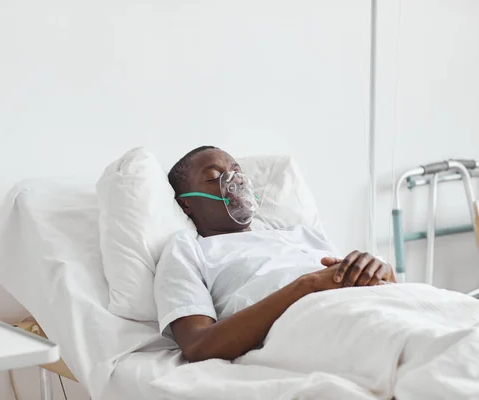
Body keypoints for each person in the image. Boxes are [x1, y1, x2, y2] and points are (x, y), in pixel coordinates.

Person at [153, 145, 397, 363]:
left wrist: (380, 272)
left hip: (379, 305)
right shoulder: (187, 249)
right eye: (215, 176)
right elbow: (197, 345)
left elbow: (349, 281)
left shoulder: (301, 234)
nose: (235, 181)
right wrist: (308, 285)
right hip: (319, 324)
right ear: (186, 204)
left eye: (237, 172)